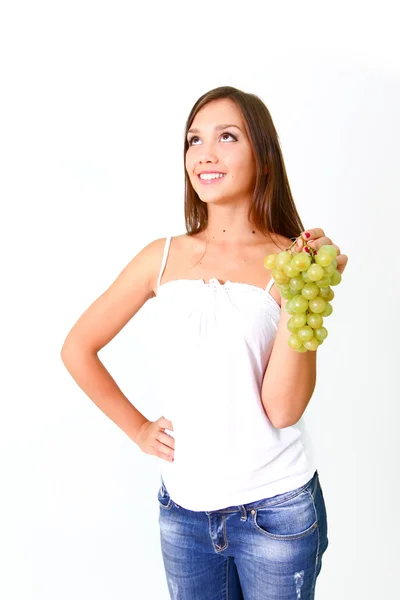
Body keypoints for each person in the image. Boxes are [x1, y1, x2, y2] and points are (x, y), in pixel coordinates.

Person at [61, 85, 348, 599]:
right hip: (184, 513)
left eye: (227, 137)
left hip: (275, 512)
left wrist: (304, 293)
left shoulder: (291, 263)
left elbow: (282, 411)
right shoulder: (162, 256)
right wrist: (139, 430)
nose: (204, 154)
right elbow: (78, 347)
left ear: (264, 160)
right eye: (194, 140)